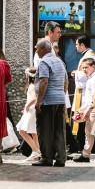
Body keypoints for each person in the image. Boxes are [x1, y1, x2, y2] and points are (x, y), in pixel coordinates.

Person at [33, 39, 68, 167]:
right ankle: (60, 158)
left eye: (37, 49)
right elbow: (66, 82)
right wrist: (61, 94)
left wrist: (39, 101)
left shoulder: (44, 62)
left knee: (45, 130)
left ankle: (46, 158)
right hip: (59, 99)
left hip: (47, 101)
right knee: (59, 130)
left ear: (43, 49)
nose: (36, 51)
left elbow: (44, 81)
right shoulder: (60, 62)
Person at [72, 58, 95, 163]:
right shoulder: (90, 79)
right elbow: (89, 99)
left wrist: (87, 110)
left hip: (94, 110)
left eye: (86, 67)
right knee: (88, 134)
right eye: (83, 68)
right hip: (90, 109)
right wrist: (82, 109)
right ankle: (86, 154)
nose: (84, 70)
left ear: (93, 67)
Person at [70, 35, 95, 145]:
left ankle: (84, 146)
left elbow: (90, 73)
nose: (76, 47)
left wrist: (77, 73)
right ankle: (83, 147)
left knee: (88, 122)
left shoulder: (91, 57)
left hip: (88, 90)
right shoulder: (86, 55)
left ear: (82, 45)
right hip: (85, 90)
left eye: (77, 44)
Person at [16, 67, 41, 161]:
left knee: (21, 130)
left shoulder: (31, 85)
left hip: (31, 110)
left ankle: (35, 151)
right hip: (32, 110)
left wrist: (27, 106)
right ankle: (37, 155)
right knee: (34, 133)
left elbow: (34, 98)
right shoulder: (37, 85)